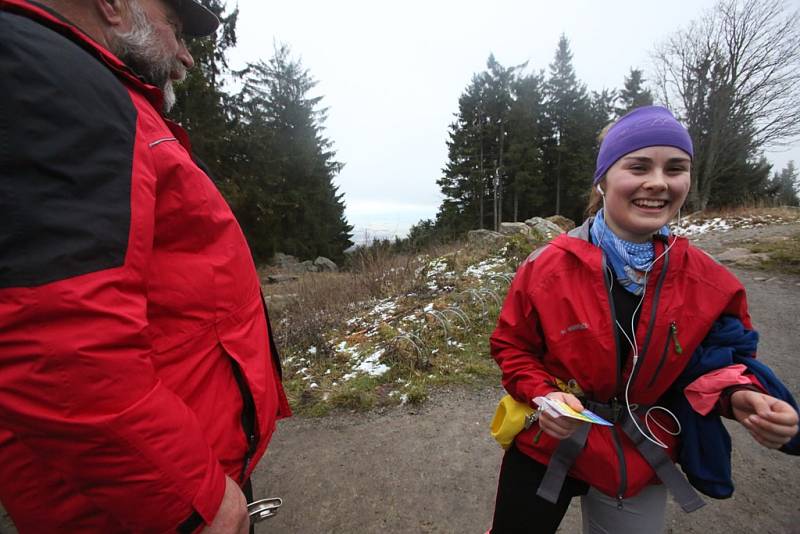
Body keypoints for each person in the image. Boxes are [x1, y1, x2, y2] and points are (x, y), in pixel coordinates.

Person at [0, 0, 290, 532]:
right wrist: (193, 502)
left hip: (163, 476)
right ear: (112, 5)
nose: (187, 56)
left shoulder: (97, 88)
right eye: (176, 29)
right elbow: (60, 348)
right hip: (145, 503)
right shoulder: (50, 78)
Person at [488, 106, 799, 533]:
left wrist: (739, 396)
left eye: (676, 168)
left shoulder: (710, 281)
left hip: (639, 451)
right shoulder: (546, 267)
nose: (658, 182)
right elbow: (513, 346)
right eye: (638, 166)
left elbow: (720, 361)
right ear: (603, 178)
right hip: (548, 441)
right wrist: (544, 396)